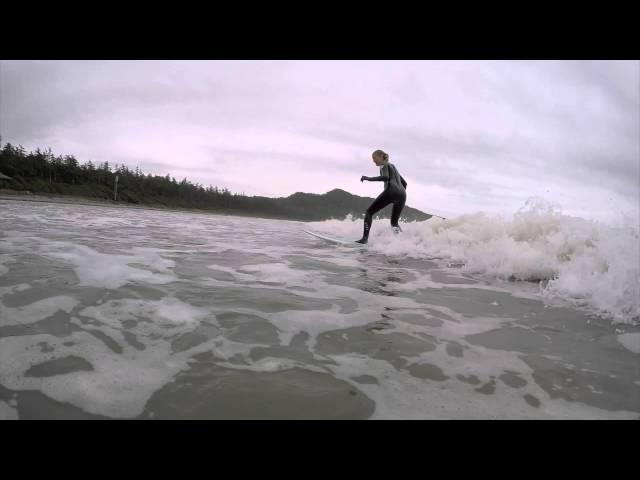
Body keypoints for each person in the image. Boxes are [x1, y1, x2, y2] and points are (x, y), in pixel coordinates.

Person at [356, 149, 407, 244]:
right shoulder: (393, 166)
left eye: (374, 158)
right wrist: (399, 194)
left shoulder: (383, 164)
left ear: (380, 157)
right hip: (402, 195)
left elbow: (385, 178)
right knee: (394, 223)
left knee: (369, 212)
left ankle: (364, 239)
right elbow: (405, 183)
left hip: (391, 191)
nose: (373, 161)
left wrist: (368, 178)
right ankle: (402, 242)